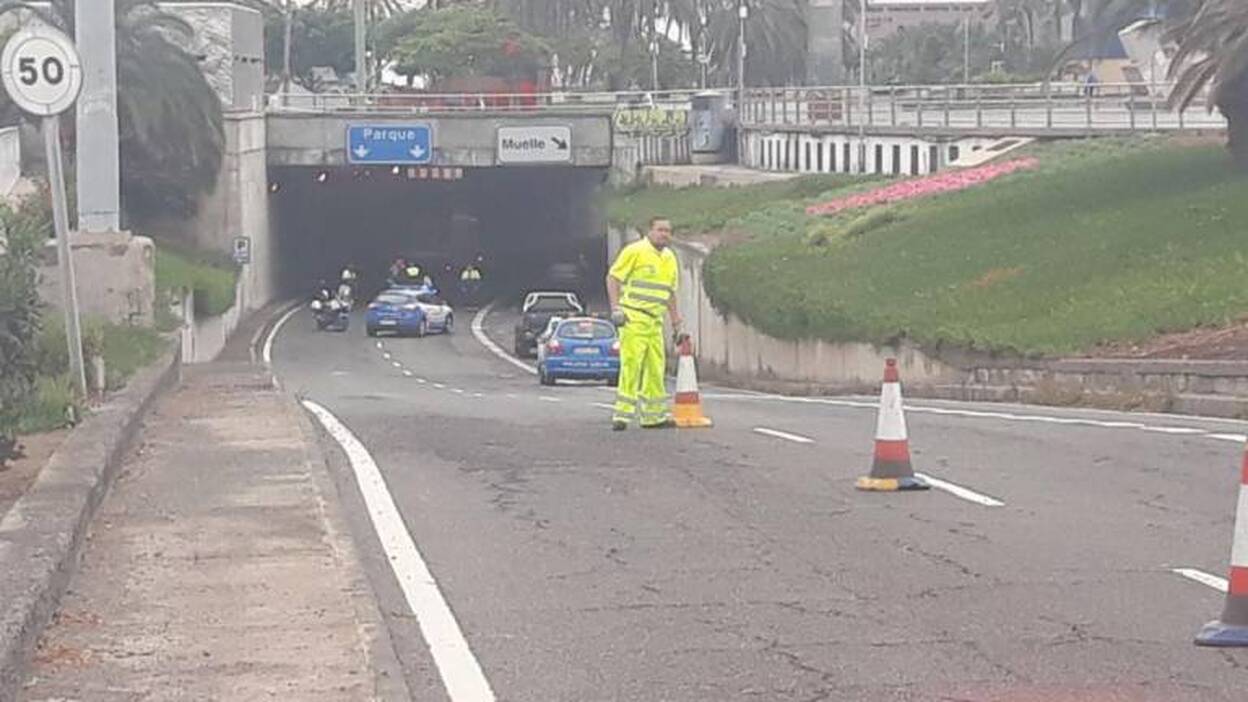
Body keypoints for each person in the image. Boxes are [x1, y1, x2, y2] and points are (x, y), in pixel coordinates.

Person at [606, 217, 683, 431]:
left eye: (668, 230)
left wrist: (676, 322)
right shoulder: (635, 251)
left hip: (655, 321)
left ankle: (653, 416)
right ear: (649, 231)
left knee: (656, 369)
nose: (664, 234)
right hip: (633, 317)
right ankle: (621, 415)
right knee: (632, 365)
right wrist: (616, 309)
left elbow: (669, 292)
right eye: (660, 230)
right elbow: (613, 278)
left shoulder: (669, 258)